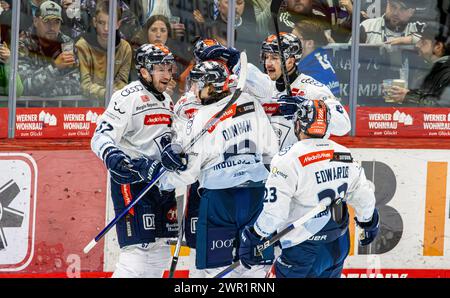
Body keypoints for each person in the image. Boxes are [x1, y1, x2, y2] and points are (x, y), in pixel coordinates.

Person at [159, 59, 279, 278]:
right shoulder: (251, 103)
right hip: (255, 195)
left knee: (217, 270)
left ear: (212, 86)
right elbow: (272, 149)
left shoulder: (201, 117)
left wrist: (162, 180)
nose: (194, 91)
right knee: (255, 265)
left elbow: (189, 172)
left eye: (198, 85)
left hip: (220, 200)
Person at [238, 99, 379, 278]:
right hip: (338, 245)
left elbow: (275, 213)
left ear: (299, 123)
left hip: (303, 249)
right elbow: (364, 196)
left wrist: (255, 235)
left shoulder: (287, 159)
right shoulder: (344, 154)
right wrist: (368, 222)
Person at [91, 43, 179, 278]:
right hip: (133, 182)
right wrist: (114, 156)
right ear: (143, 71)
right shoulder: (127, 97)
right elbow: (100, 136)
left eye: (169, 67)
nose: (167, 74)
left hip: (161, 184)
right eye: (160, 68)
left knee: (160, 250)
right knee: (136, 255)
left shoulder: (168, 101)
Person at [17, 0, 80, 104]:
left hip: (61, 111)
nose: (52, 27)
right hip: (28, 112)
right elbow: (24, 85)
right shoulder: (23, 44)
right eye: (47, 21)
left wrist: (47, 91)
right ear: (35, 21)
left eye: (56, 22)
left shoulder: (67, 44)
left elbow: (76, 84)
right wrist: (55, 67)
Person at [75, 0, 132, 105]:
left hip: (115, 105)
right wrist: (106, 93)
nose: (106, 28)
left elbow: (122, 81)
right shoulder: (82, 45)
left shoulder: (125, 48)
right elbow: (85, 84)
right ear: (94, 22)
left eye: (110, 23)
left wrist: (114, 93)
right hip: (86, 107)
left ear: (118, 24)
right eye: (101, 23)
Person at [388, 22, 450, 106]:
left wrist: (409, 97)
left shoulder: (447, 74)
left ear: (438, 46)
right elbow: (427, 95)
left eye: (423, 42)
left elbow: (442, 106)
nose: (417, 45)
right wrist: (403, 93)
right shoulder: (432, 69)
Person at [129, 14, 176, 96]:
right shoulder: (137, 56)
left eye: (163, 30)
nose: (158, 35)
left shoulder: (175, 57)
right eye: (154, 30)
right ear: (146, 32)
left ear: (168, 34)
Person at [293, 20, 340, 97]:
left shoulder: (312, 72)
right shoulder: (319, 58)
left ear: (310, 43)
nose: (291, 42)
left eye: (295, 39)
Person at [359, 0, 425, 45]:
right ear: (387, 4)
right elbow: (349, 57)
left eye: (402, 9)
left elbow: (434, 43)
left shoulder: (418, 27)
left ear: (411, 12)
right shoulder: (367, 27)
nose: (395, 13)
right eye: (393, 6)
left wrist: (411, 39)